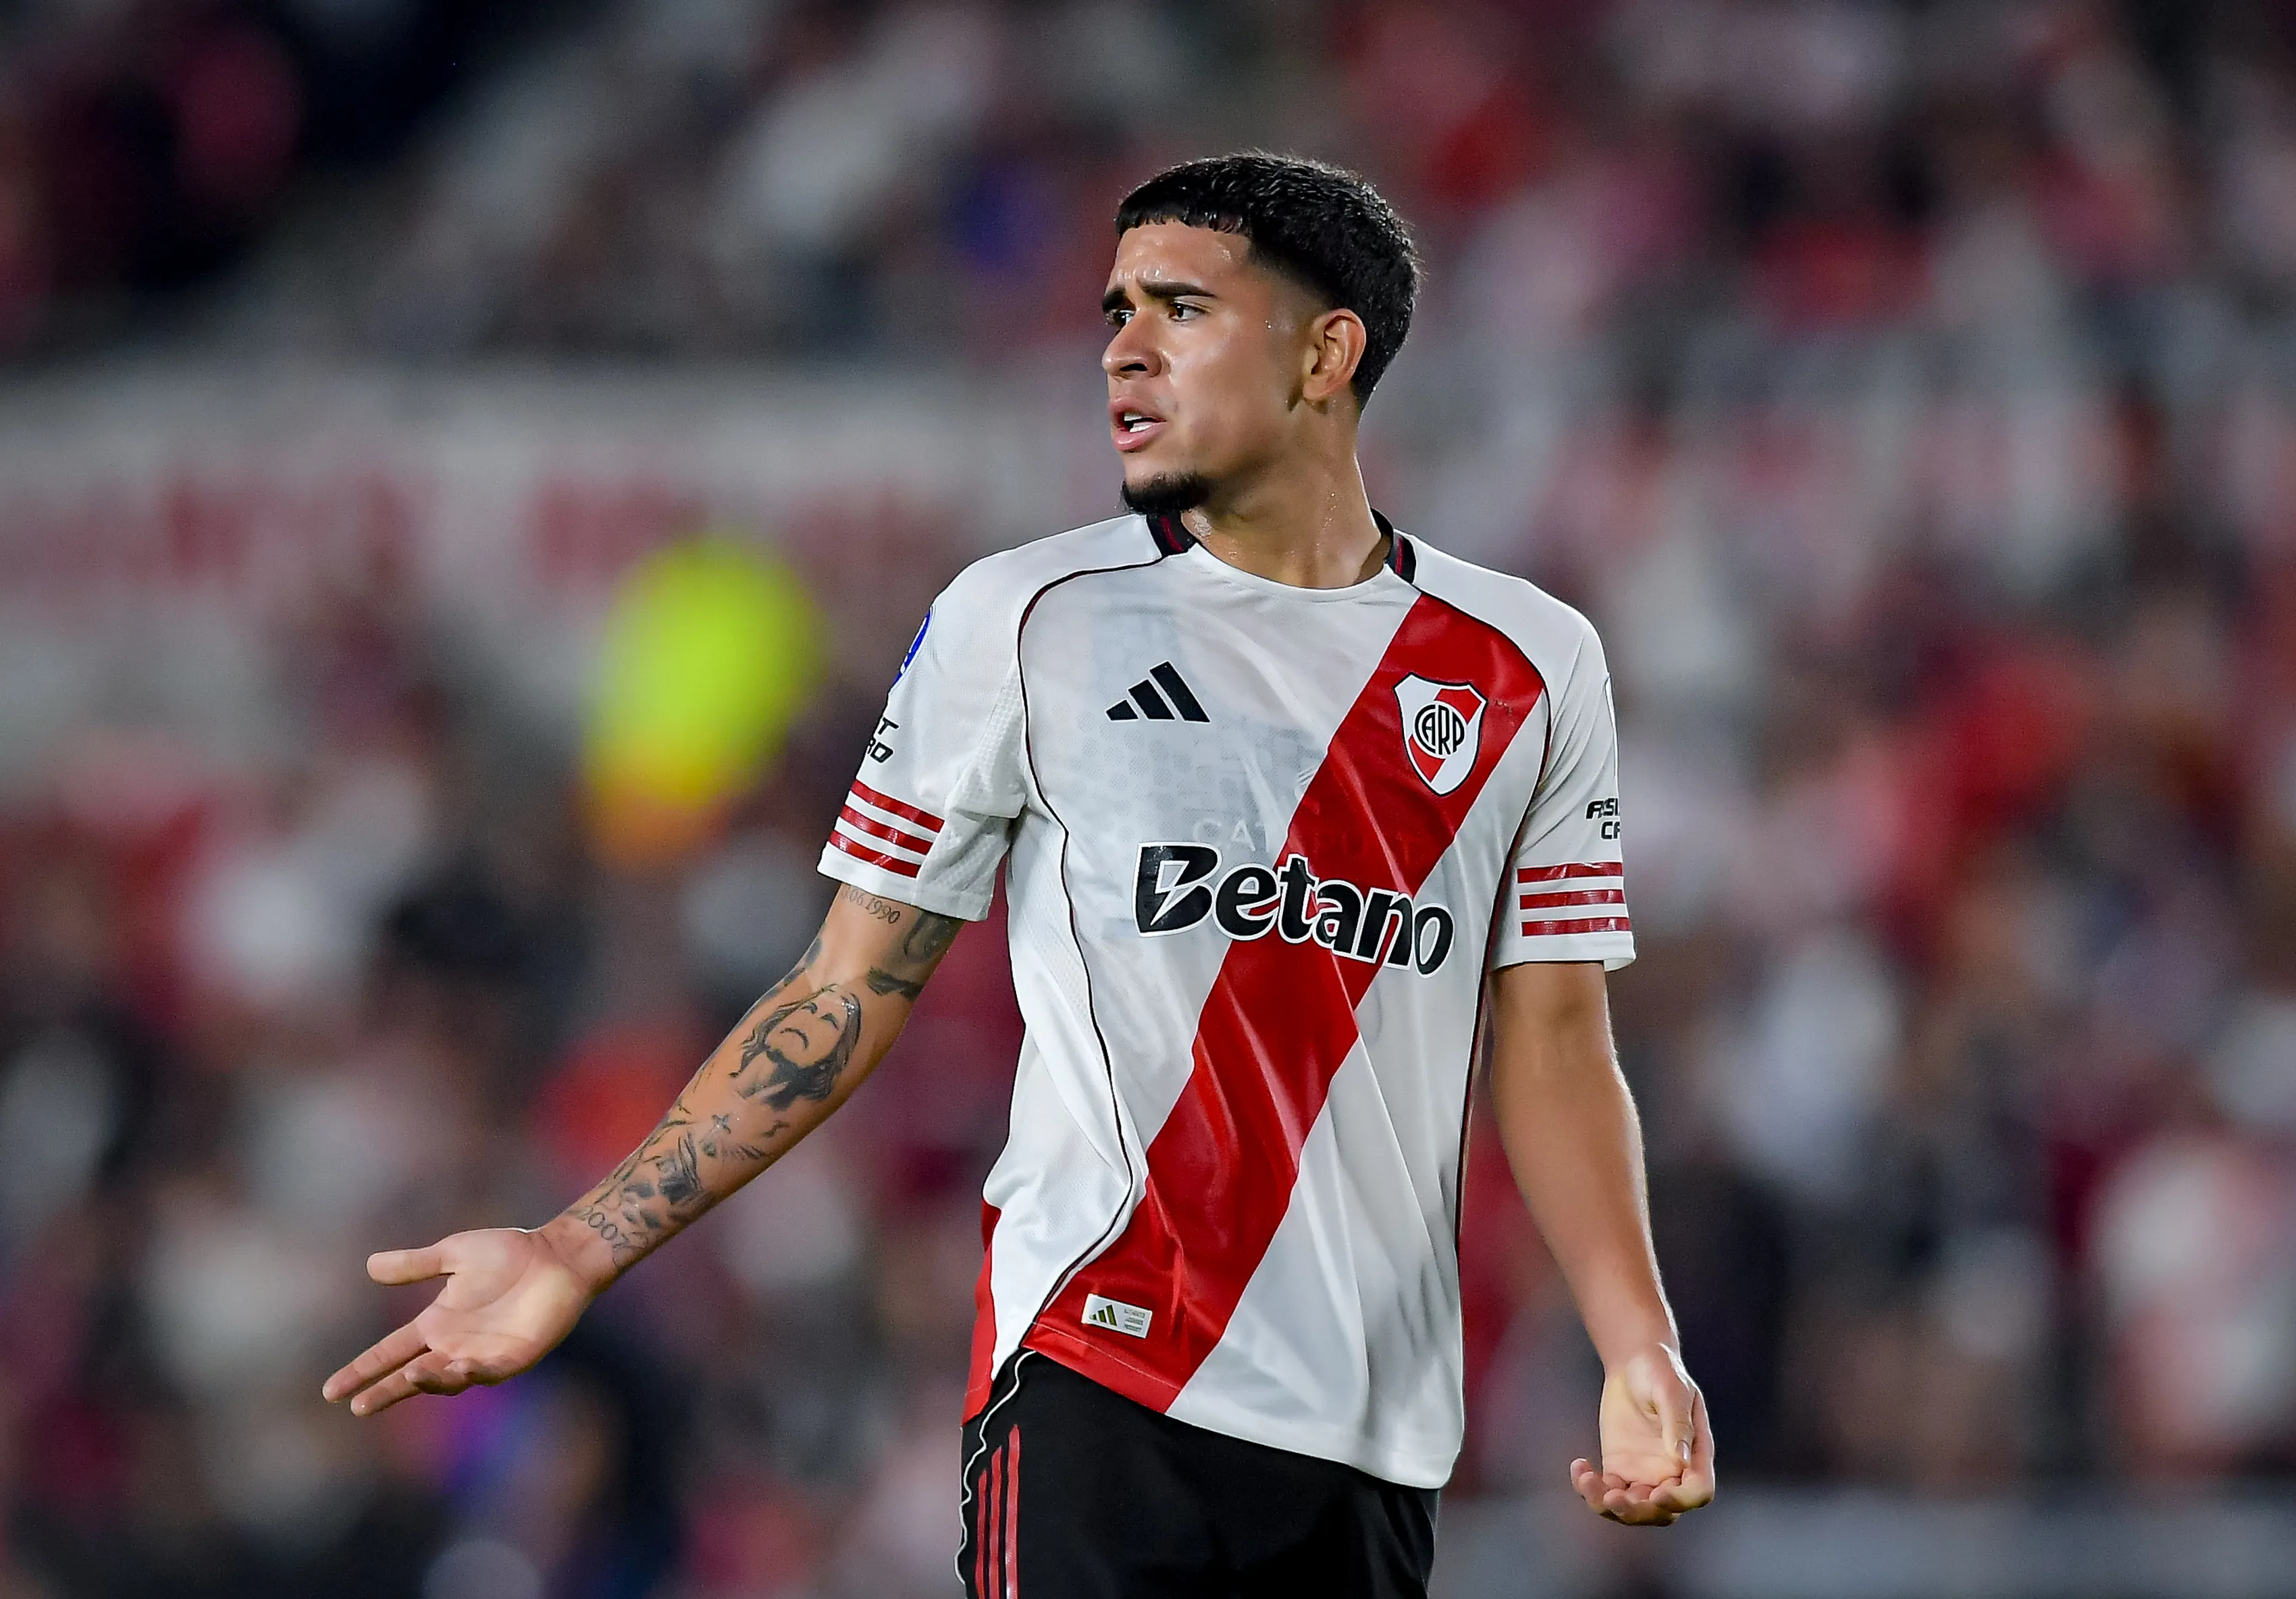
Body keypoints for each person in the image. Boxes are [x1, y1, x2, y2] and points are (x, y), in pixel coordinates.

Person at [324, 152, 1715, 1596]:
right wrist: (577, 1244)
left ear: (1326, 350)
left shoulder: (1525, 662)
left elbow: (1554, 1036)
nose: (1121, 345)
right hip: (1095, 1380)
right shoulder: (1029, 619)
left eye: (1181, 307)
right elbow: (846, 983)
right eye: (1114, 307)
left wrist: (1636, 1342)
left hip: (1375, 1433)